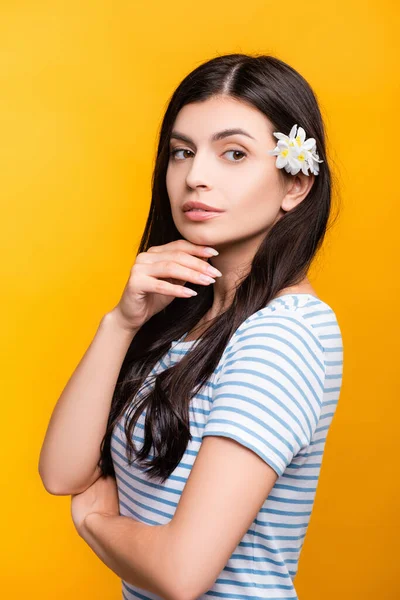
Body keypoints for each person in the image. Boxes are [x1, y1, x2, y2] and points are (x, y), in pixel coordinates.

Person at [39, 53, 343, 600]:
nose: (195, 177)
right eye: (182, 152)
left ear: (295, 185)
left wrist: (94, 523)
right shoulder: (182, 316)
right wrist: (121, 322)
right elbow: (62, 475)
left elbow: (183, 573)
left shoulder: (283, 334)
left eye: (233, 153)